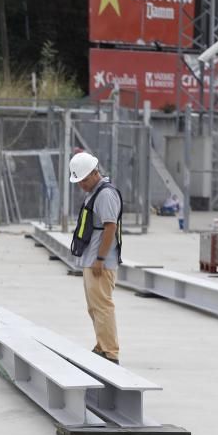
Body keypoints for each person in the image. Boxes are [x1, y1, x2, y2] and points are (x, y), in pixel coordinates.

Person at [68, 151, 122, 364]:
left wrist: (100, 259)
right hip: (92, 260)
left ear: (93, 174)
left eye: (82, 180)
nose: (80, 184)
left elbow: (110, 227)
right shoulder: (94, 192)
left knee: (102, 306)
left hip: (100, 262)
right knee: (95, 307)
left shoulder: (105, 194)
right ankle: (102, 346)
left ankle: (109, 352)